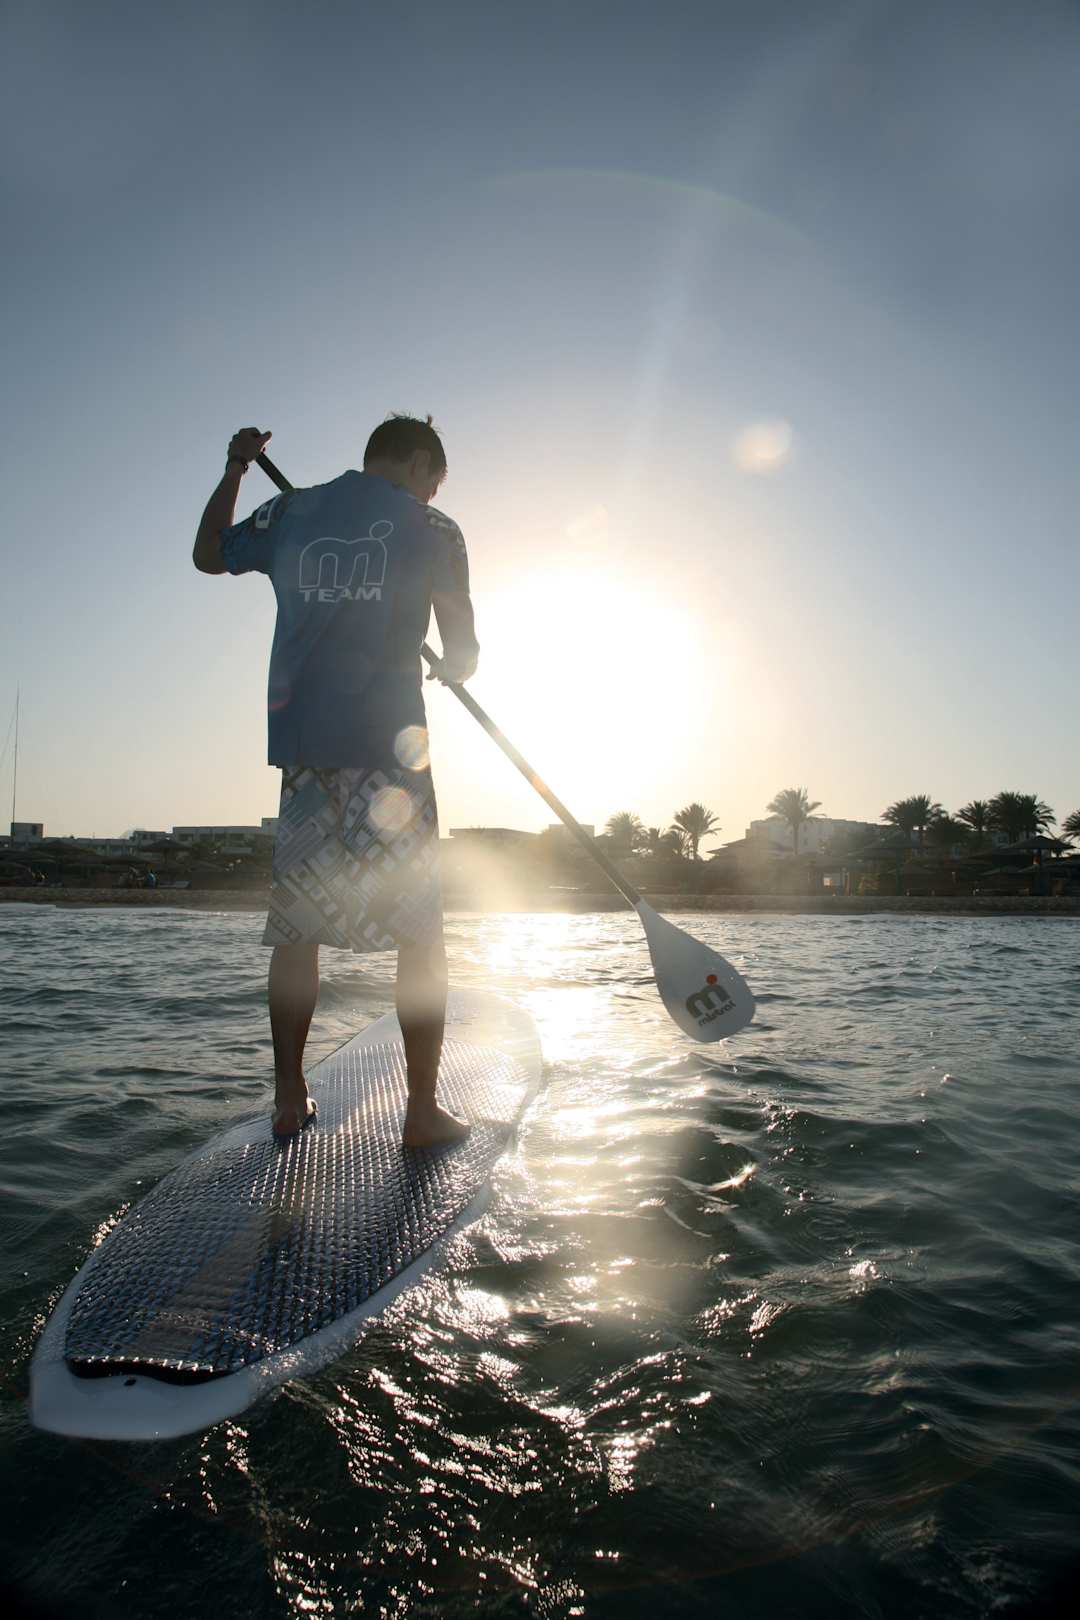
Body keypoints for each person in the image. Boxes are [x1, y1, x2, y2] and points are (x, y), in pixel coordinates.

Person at [193, 416, 479, 1145]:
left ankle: (290, 1096)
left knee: (300, 931)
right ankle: (421, 1111)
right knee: (419, 935)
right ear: (420, 464)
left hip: (306, 754)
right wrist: (454, 666)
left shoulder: (291, 510)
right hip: (392, 759)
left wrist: (235, 469)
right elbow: (463, 650)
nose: (430, 495)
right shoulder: (435, 530)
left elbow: (208, 555)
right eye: (433, 482)